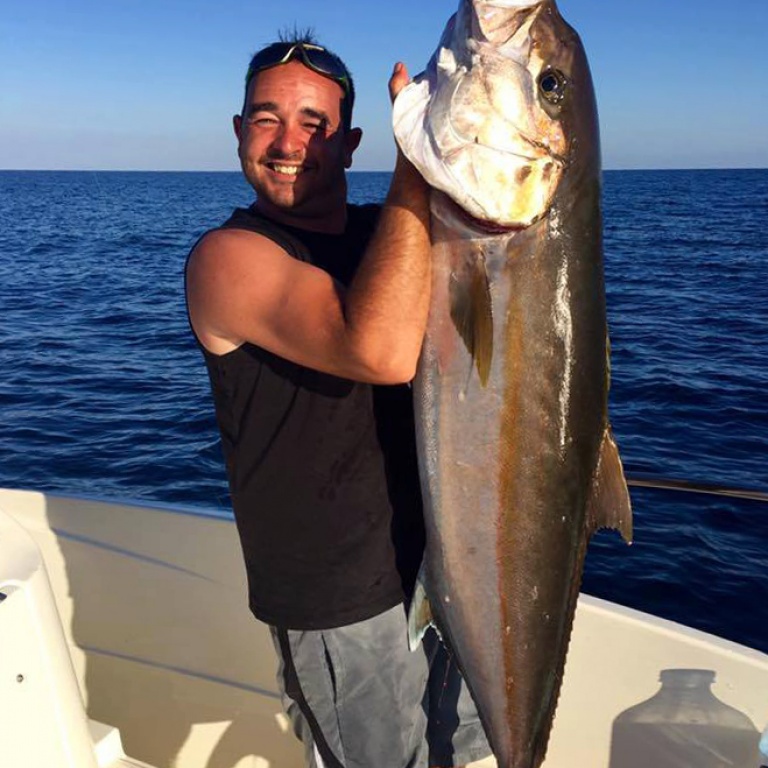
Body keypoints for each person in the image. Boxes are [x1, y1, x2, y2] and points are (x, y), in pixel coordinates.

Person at [185, 33, 491, 768]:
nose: (289, 142)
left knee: (469, 757)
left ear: (351, 142)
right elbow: (380, 353)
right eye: (266, 118)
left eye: (315, 124)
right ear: (238, 132)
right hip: (341, 601)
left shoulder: (386, 236)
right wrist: (417, 159)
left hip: (446, 564)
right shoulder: (228, 259)